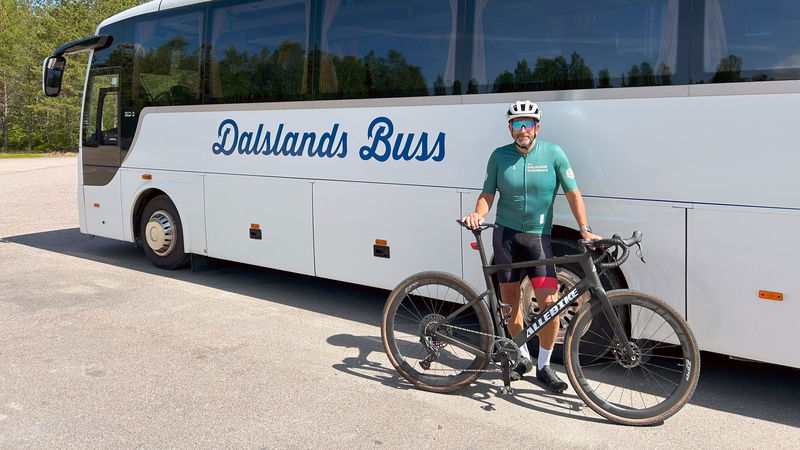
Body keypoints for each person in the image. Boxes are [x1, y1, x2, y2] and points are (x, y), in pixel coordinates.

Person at [461, 100, 601, 393]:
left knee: (550, 305)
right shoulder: (499, 156)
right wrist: (478, 213)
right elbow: (487, 194)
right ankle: (522, 357)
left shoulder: (553, 153)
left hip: (538, 239)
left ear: (537, 127)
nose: (522, 129)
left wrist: (585, 229)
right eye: (516, 124)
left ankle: (544, 365)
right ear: (509, 128)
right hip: (506, 238)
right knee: (510, 303)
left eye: (528, 124)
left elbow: (573, 193)